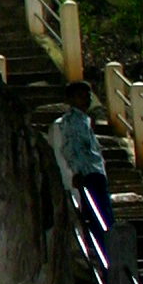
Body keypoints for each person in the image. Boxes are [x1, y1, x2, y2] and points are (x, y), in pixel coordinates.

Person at [46, 79, 113, 232]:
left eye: (87, 96)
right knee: (94, 217)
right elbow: (64, 150)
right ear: (70, 99)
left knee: (103, 217)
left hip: (95, 174)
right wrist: (73, 174)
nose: (85, 100)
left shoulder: (87, 122)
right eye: (79, 96)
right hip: (84, 176)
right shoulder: (65, 123)